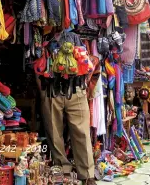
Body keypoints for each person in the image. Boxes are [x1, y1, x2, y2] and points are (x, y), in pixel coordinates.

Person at [37, 32, 96, 185]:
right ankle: (63, 172)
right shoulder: (44, 38)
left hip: (75, 89)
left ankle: (87, 174)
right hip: (51, 89)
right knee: (54, 131)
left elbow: (91, 65)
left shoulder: (77, 37)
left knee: (81, 132)